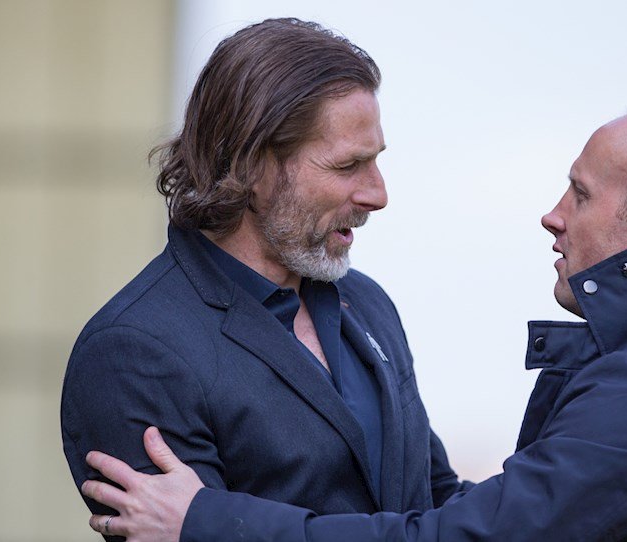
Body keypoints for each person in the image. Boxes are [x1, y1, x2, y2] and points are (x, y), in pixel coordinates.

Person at [79, 108, 627, 541]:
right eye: (349, 165)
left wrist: (205, 521)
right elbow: (459, 506)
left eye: (579, 194)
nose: (552, 215)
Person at [60, 17, 470, 540]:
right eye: (349, 166)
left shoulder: (367, 303)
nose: (378, 194)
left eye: (376, 162)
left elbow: (435, 502)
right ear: (252, 166)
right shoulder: (133, 352)